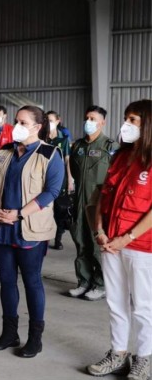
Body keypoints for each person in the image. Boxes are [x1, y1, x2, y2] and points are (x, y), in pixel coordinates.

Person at [0, 105, 64, 358]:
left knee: (32, 282)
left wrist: (19, 213)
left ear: (37, 127)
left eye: (22, 122)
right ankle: (9, 333)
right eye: (16, 121)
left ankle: (34, 338)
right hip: (2, 227)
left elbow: (51, 191)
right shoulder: (5, 152)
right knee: (7, 282)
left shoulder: (50, 154)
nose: (16, 126)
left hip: (29, 228)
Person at [87, 99, 151, 380]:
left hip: (141, 246)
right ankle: (118, 353)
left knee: (143, 306)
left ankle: (144, 359)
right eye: (126, 118)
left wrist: (127, 238)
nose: (126, 124)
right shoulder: (119, 156)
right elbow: (103, 195)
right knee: (115, 302)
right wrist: (99, 231)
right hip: (109, 241)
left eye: (133, 119)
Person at [68, 106, 119, 301]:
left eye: (93, 118)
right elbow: (73, 169)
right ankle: (84, 281)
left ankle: (100, 284)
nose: (88, 121)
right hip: (79, 201)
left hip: (99, 203)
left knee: (97, 243)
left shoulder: (110, 147)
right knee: (81, 242)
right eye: (87, 117)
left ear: (102, 122)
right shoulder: (78, 146)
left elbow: (115, 175)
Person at [46, 111, 74, 250]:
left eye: (51, 120)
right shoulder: (43, 139)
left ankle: (58, 238)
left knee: (59, 210)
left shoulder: (63, 141)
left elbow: (67, 161)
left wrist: (70, 179)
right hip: (44, 179)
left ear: (58, 121)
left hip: (60, 179)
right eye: (47, 120)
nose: (49, 122)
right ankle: (44, 237)